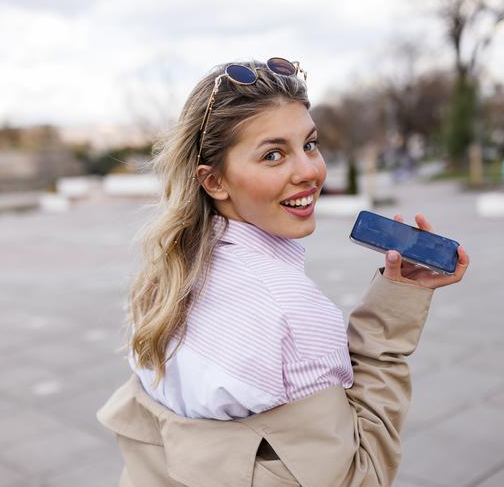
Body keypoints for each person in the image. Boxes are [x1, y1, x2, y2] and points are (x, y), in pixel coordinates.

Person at [97, 57, 469, 486]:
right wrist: (387, 334)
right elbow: (359, 474)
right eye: (273, 155)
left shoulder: (163, 279)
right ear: (214, 181)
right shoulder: (290, 314)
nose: (310, 171)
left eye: (309, 144)